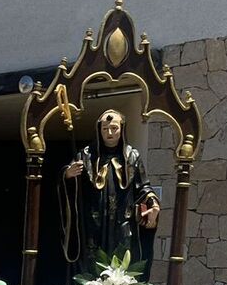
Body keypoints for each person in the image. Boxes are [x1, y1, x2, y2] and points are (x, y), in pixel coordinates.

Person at [61, 109, 159, 266]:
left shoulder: (132, 156)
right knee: (93, 263)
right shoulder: (86, 156)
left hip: (123, 220)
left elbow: (143, 187)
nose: (110, 133)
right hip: (94, 221)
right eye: (105, 129)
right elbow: (70, 187)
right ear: (99, 130)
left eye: (114, 128)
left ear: (122, 129)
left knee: (123, 259)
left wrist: (153, 204)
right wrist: (68, 175)